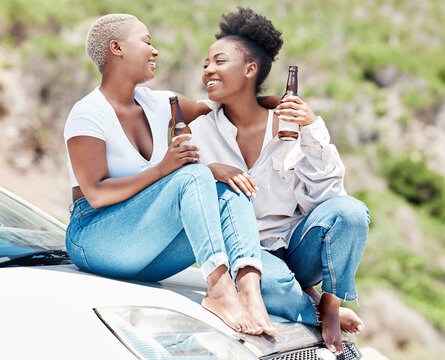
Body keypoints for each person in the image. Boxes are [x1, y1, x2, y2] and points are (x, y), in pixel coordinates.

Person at [63, 13, 277, 337]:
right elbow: (96, 193)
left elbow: (225, 106)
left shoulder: (160, 103)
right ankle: (218, 289)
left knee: (229, 189)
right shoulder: (88, 113)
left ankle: (249, 289)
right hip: (94, 239)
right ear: (117, 48)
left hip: (144, 250)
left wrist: (278, 105)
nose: (155, 51)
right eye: (146, 42)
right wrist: (167, 169)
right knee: (194, 176)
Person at [189, 7, 369, 355]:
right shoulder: (200, 128)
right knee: (267, 285)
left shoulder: (290, 124)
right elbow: (185, 185)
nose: (208, 70)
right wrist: (211, 171)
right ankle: (313, 310)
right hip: (249, 255)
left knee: (352, 212)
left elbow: (330, 197)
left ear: (250, 70)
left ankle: (330, 302)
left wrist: (313, 128)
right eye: (205, 64)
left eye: (218, 61)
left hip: (296, 246)